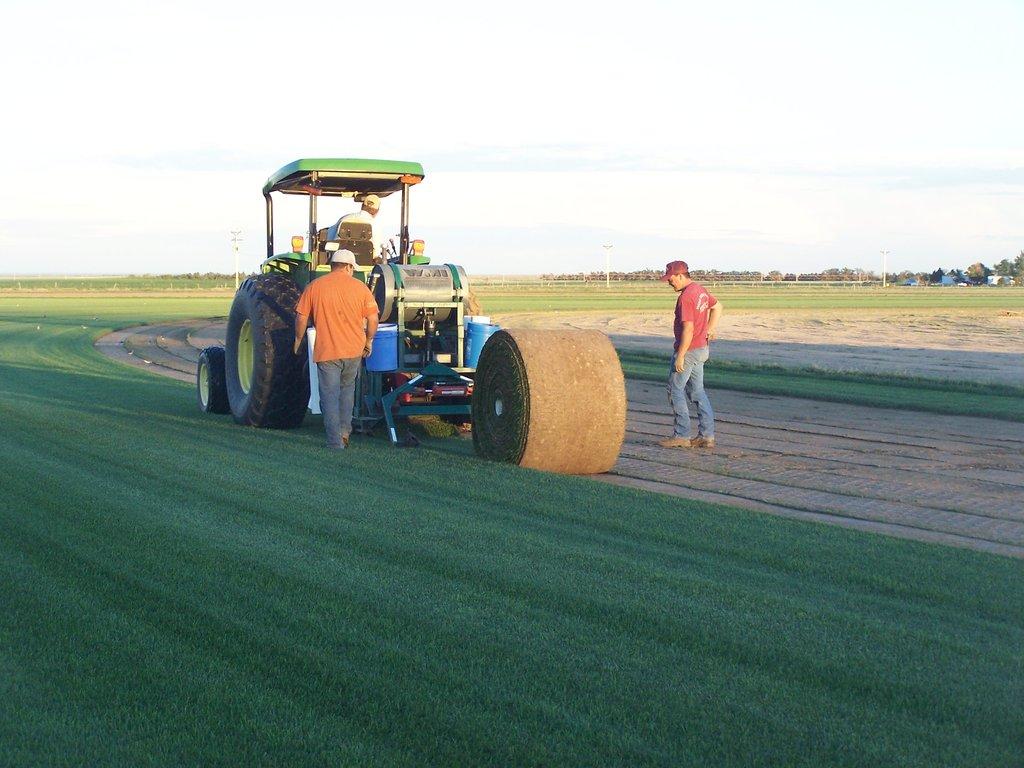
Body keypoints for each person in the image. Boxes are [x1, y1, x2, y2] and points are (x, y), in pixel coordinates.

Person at [293, 249, 379, 450]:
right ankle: (344, 432)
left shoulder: (314, 287)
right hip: (353, 350)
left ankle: (334, 442)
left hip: (327, 351)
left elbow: (301, 317)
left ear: (332, 266)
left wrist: (298, 339)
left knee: (329, 396)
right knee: (347, 391)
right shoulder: (361, 289)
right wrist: (369, 341)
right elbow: (373, 319)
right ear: (348, 267)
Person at [658, 260, 723, 449]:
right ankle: (707, 436)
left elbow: (688, 329)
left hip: (690, 349)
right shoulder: (700, 290)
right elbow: (718, 307)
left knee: (674, 389)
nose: (669, 282)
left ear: (680, 275)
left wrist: (680, 355)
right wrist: (711, 328)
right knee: (697, 391)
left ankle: (681, 435)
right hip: (702, 348)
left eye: (670, 279)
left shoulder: (686, 297)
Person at [336, 193, 383, 260]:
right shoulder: (375, 225)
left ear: (362, 206)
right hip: (366, 264)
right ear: (377, 211)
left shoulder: (344, 219)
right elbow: (376, 253)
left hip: (340, 262)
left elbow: (330, 237)